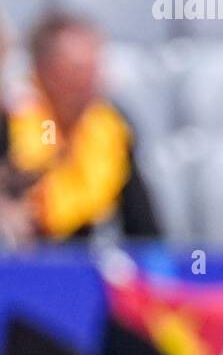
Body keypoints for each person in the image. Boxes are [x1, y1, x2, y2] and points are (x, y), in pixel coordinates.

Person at [6, 14, 160, 241]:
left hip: (82, 261)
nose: (91, 81)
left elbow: (141, 224)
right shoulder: (11, 119)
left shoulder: (111, 126)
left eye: (94, 68)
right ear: (43, 71)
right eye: (77, 70)